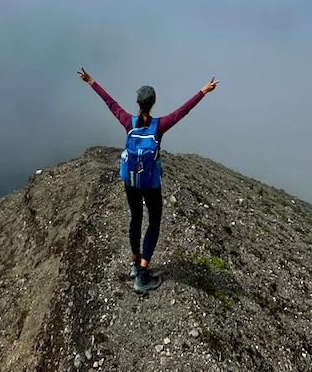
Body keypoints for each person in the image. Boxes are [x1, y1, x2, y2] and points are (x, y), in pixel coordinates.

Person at [77, 68, 219, 293]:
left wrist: (91, 81)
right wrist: (203, 91)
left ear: (137, 102)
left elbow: (110, 103)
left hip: (130, 180)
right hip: (151, 183)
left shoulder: (128, 122)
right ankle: (142, 275)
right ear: (152, 103)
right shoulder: (159, 126)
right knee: (153, 223)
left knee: (135, 218)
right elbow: (183, 111)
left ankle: (135, 263)